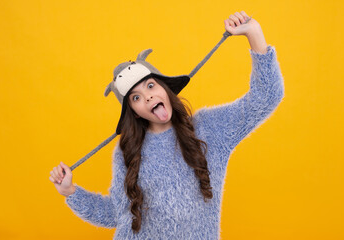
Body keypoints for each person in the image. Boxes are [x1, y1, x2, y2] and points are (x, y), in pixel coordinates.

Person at [49, 11, 284, 239]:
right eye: (136, 97)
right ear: (135, 113)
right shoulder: (127, 152)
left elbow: (266, 97)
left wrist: (253, 33)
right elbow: (116, 214)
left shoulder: (209, 129)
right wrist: (71, 192)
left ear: (165, 88)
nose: (148, 97)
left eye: (150, 86)